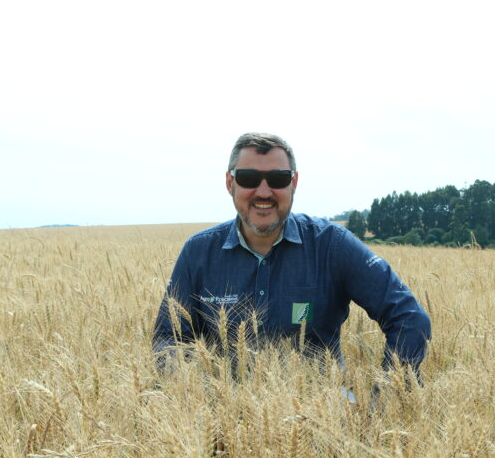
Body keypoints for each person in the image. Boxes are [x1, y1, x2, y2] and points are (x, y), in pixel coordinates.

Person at [152, 132, 431, 384]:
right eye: (248, 178)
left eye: (278, 179)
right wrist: (200, 391)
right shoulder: (198, 253)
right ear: (230, 183)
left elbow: (409, 318)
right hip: (221, 415)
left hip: (322, 413)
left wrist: (385, 398)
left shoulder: (332, 245)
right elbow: (167, 339)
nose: (264, 192)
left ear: (294, 183)